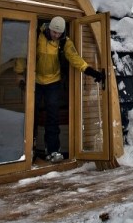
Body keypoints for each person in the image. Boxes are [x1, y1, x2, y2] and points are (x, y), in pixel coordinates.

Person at [33, 16, 105, 163]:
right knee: (30, 114)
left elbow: (74, 58)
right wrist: (20, 75)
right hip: (35, 81)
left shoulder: (64, 41)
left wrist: (91, 72)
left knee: (52, 116)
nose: (56, 36)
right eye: (54, 32)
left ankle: (53, 150)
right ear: (49, 28)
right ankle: (29, 149)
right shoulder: (36, 36)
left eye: (59, 33)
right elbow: (24, 54)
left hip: (53, 82)